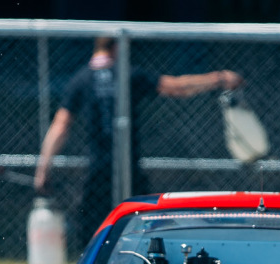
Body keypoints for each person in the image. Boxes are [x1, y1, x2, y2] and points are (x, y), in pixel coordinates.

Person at [34, 37, 243, 249]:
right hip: (128, 165)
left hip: (98, 168)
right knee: (141, 218)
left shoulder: (81, 79)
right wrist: (218, 78)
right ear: (116, 47)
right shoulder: (129, 74)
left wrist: (43, 169)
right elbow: (177, 87)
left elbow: (60, 125)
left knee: (95, 229)